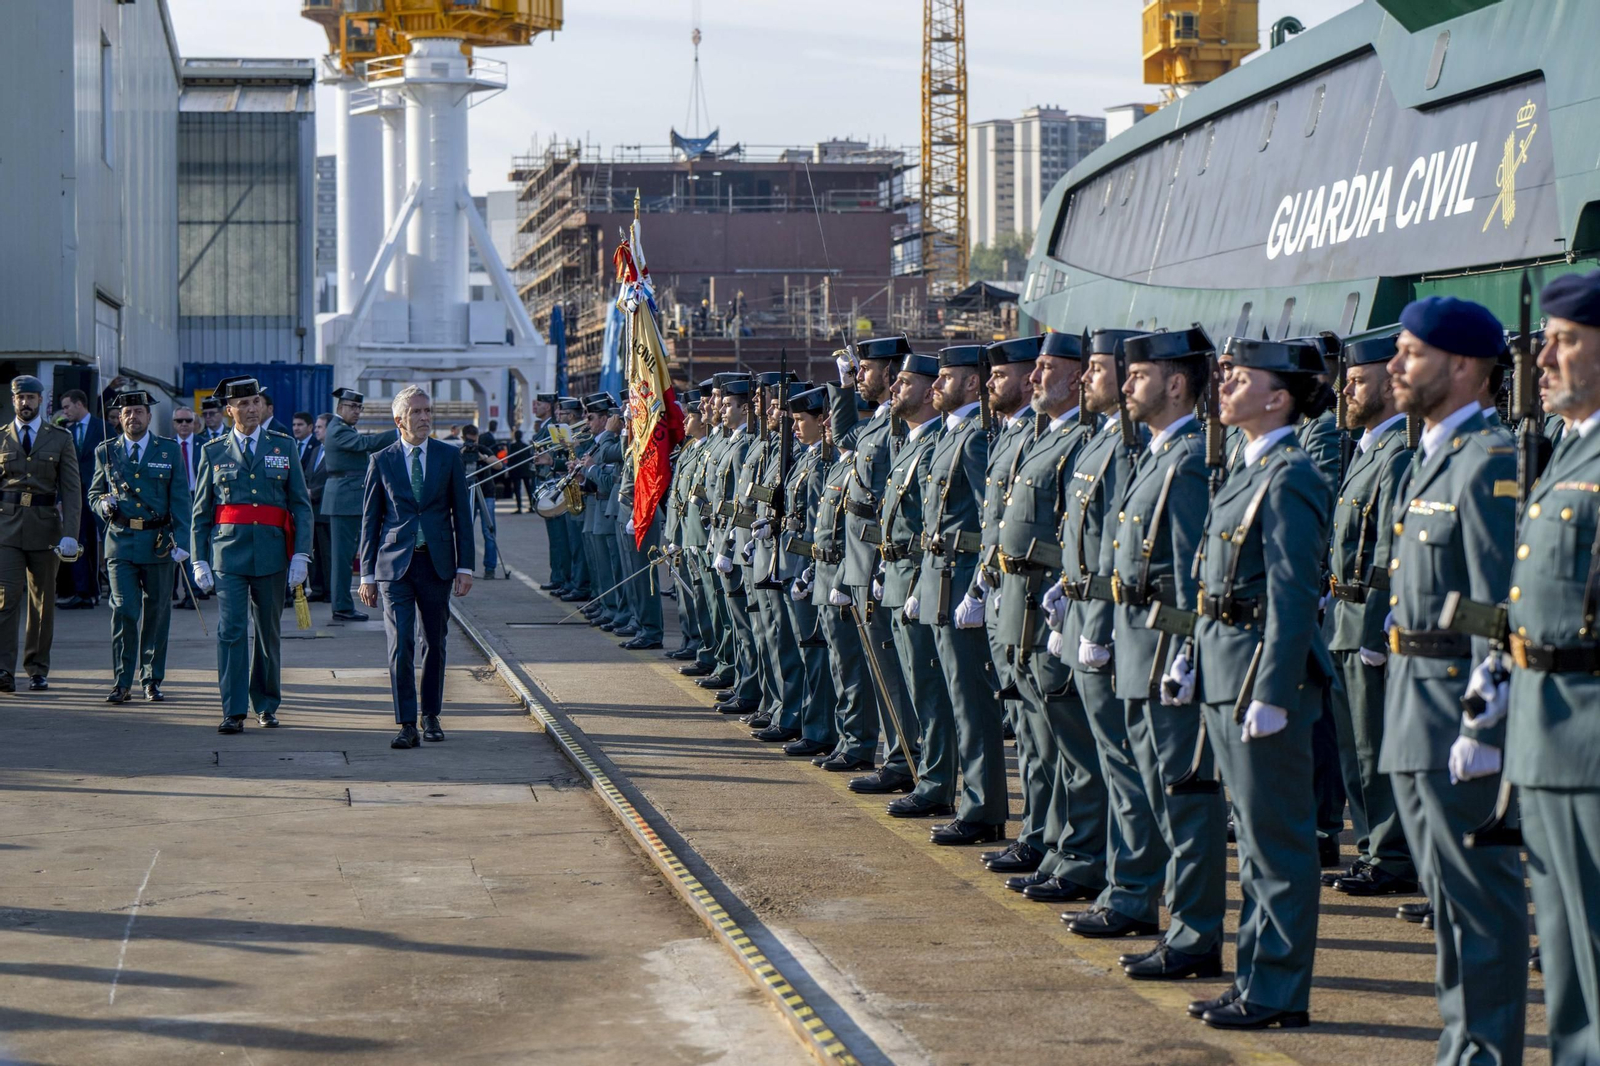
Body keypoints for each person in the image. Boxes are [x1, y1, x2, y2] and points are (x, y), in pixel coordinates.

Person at [1380, 295, 1526, 1064]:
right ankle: (1459, 1047)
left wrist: (1483, 723)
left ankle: (1483, 1054)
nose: (1396, 367)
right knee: (1446, 904)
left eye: (1411, 353)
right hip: (1414, 706)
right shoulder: (1433, 455)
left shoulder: (1487, 461)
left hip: (1452, 712)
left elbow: (1497, 609)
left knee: (1478, 906)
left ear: (1464, 366)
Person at [1178, 334, 1335, 1030]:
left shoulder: (1292, 474)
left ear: (1279, 397)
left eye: (1243, 378)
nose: (1227, 385)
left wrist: (1272, 691)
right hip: (1224, 667)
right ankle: (1253, 979)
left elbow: (1294, 594)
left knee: (1277, 843)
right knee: (1253, 839)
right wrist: (1190, 655)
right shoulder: (1244, 470)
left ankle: (1277, 990)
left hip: (1258, 681)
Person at [1501, 268, 1600, 1065]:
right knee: (1566, 952)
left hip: (1593, 739)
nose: (1544, 360)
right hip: (1546, 731)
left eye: (1564, 343)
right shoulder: (1568, 450)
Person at [1110, 328, 1228, 982]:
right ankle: (1182, 926)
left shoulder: (1184, 463)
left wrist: (1186, 655)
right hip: (1140, 651)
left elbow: (1189, 574)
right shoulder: (1158, 456)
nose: (1127, 385)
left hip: (1165, 660)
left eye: (1139, 374)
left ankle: (1195, 935)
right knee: (1162, 797)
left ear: (1176, 384)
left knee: (1187, 801)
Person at [1051, 331, 1164, 939]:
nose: (1087, 381)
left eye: (1095, 370)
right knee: (1111, 765)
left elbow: (1120, 553)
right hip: (1083, 616)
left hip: (1106, 624)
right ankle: (1121, 884)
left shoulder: (1125, 448)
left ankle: (1134, 893)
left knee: (1125, 771)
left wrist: (1095, 622)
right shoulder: (1100, 442)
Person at [994, 331, 1105, 903]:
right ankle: (1048, 838)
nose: (1035, 378)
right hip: (1021, 604)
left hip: (1051, 607)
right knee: (1038, 737)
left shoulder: (1079, 443)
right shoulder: (1047, 437)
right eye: (1033, 369)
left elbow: (1076, 538)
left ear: (1076, 375)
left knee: (1071, 745)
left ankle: (1078, 854)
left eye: (1045, 368)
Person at [1323, 329, 1419, 898]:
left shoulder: (1399, 453)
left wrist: (1379, 624)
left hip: (1367, 618)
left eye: (1358, 382)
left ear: (1390, 379)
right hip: (1342, 614)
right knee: (1351, 746)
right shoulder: (1368, 451)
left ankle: (1392, 853)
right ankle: (1372, 846)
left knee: (1374, 745)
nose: (1347, 394)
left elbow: (1391, 549)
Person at [914, 345, 1007, 846]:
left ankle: (984, 808)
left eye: (946, 378)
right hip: (940, 579)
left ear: (973, 385)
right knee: (954, 696)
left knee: (973, 704)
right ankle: (974, 801)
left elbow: (988, 520)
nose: (936, 386)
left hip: (962, 583)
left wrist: (977, 586)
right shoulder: (952, 436)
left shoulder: (974, 439)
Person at [960, 335, 1045, 875]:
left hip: (1036, 604)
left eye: (1002, 373)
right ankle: (1042, 836)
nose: (998, 382)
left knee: (1048, 739)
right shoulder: (1017, 437)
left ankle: (1055, 843)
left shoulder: (1035, 437)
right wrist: (981, 582)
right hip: (1003, 597)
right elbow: (994, 525)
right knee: (1031, 732)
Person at [189, 376, 314, 734]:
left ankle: (266, 703)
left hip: (273, 553)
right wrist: (199, 559)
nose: (251, 409)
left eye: (256, 402)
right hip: (228, 555)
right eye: (242, 404)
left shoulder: (283, 446)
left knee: (267, 632)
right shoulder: (213, 450)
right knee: (230, 630)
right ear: (229, 411)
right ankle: (232, 709)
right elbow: (201, 512)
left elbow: (301, 506)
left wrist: (301, 555)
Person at [358, 386, 474, 749]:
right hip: (394, 568)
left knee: (434, 643)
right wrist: (366, 575)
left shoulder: (448, 456)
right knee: (401, 644)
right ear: (399, 420)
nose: (425, 418)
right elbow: (370, 520)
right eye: (416, 413)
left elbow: (462, 515)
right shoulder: (382, 460)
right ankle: (407, 722)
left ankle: (431, 716)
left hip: (437, 564)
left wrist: (465, 566)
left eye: (428, 411)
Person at [828, 337, 917, 795]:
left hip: (880, 559)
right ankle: (897, 755)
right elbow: (845, 440)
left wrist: (883, 562)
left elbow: (893, 503)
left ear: (892, 372)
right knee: (879, 667)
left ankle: (905, 760)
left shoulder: (899, 426)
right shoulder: (877, 423)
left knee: (892, 670)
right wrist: (842, 389)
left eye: (865, 369)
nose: (860, 375)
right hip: (861, 560)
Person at [88, 389, 191, 704]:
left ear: (150, 416)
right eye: (127, 412)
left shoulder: (168, 450)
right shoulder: (106, 451)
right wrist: (102, 504)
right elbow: (93, 493)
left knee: (158, 613)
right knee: (124, 610)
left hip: (159, 543)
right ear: (119, 418)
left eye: (139, 411)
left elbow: (181, 499)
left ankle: (151, 679)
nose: (133, 416)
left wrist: (182, 542)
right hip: (120, 543)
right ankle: (122, 681)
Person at [0, 376, 81, 692]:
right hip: (6, 528)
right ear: (13, 399)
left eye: (31, 397)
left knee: (42, 601)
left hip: (47, 528)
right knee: (5, 600)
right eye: (21, 397)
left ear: (41, 401)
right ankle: (4, 670)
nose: (26, 403)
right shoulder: (2, 438)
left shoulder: (60, 438)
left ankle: (36, 668)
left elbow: (72, 490)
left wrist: (71, 534)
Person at [322, 388, 398, 621]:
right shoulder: (337, 430)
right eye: (352, 407)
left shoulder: (342, 429)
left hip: (348, 498)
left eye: (359, 408)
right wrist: (397, 432)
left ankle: (342, 605)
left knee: (345, 558)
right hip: (344, 500)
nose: (357, 412)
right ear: (340, 408)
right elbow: (365, 443)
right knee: (343, 558)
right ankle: (342, 606)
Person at [55, 387, 108, 610]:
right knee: (78, 540)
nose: (64, 411)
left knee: (104, 543)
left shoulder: (101, 427)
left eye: (67, 406)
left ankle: (101, 590)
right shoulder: (63, 431)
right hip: (74, 497)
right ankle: (82, 591)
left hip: (99, 494)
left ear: (80, 404)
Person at [170, 403, 203, 610]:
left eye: (188, 420)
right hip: (174, 499)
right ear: (173, 424)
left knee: (191, 544)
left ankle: (194, 591)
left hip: (196, 497)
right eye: (179, 421)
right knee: (172, 543)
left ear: (194, 423)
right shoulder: (167, 446)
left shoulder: (204, 444)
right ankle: (170, 589)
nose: (184, 425)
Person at [459, 425, 501, 580]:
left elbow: (499, 465)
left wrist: (482, 457)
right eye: (469, 441)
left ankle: (490, 567)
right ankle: (464, 567)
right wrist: (461, 455)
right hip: (468, 494)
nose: (471, 444)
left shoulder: (483, 449)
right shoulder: (459, 452)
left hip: (486, 494)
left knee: (489, 532)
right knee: (465, 532)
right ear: (463, 438)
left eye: (474, 440)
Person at [305, 414, 332, 601]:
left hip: (325, 509)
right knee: (313, 552)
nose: (316, 430)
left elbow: (332, 478)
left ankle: (330, 590)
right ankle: (317, 589)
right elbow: (309, 474)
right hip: (311, 511)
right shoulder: (316, 450)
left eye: (320, 427)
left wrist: (313, 492)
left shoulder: (335, 452)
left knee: (327, 553)